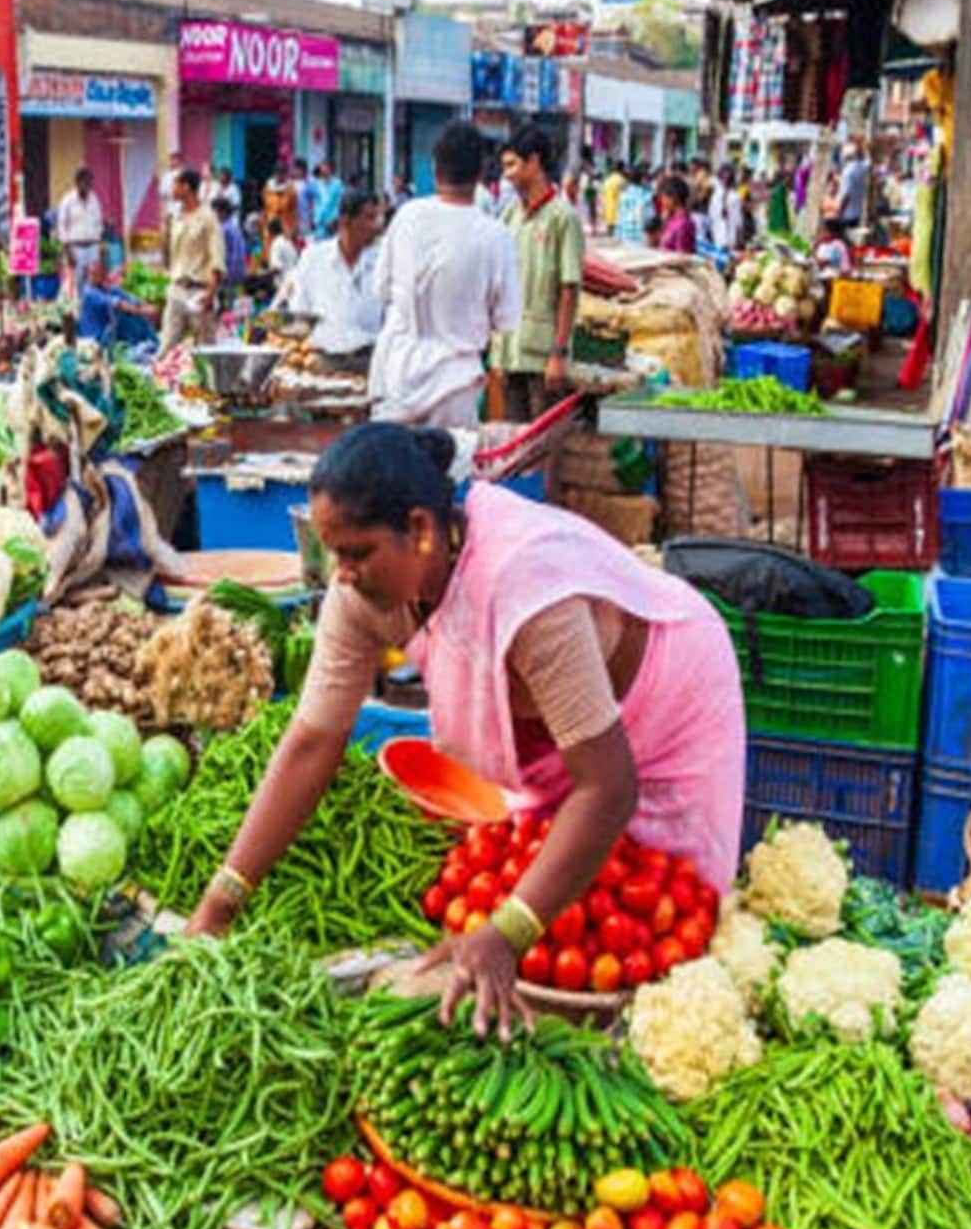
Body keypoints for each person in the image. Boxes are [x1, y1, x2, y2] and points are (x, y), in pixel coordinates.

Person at [181, 424, 746, 1034]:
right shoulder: (361, 595)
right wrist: (221, 902)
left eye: (357, 553)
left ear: (422, 530)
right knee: (564, 904)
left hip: (665, 700)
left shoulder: (524, 582)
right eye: (331, 553)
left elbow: (608, 788)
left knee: (664, 928)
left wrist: (506, 932)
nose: (340, 573)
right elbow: (312, 742)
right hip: (562, 734)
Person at [367, 122, 520, 429]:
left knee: (389, 473)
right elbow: (507, 320)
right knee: (446, 473)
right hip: (455, 386)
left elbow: (379, 290)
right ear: (479, 176)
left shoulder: (407, 216)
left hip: (397, 377)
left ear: (435, 169)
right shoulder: (496, 235)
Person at [490, 127, 584, 425]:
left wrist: (559, 352)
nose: (507, 175)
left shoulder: (563, 218)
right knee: (515, 437)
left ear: (534, 162)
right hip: (509, 349)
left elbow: (569, 288)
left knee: (544, 440)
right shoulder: (508, 216)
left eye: (512, 165)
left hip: (543, 352)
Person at [278, 189, 384, 355]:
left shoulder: (382, 261)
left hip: (369, 360)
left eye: (377, 218)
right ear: (346, 222)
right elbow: (299, 314)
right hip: (321, 360)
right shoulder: (314, 258)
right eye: (369, 218)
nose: (377, 225)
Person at [159, 168, 224, 350]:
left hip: (199, 291)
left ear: (186, 187)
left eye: (175, 184)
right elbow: (168, 257)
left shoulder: (208, 218)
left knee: (205, 349)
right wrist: (164, 230)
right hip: (177, 288)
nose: (171, 189)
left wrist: (211, 293)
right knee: (167, 346)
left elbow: (216, 258)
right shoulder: (175, 217)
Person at [73, 247, 158, 349]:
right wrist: (142, 311)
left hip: (109, 335)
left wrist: (148, 306)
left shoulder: (108, 289)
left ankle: (151, 343)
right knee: (128, 317)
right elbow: (119, 304)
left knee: (138, 318)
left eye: (104, 267)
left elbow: (129, 298)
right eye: (100, 267)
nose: (104, 271)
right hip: (95, 339)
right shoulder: (89, 293)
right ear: (90, 271)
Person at [54, 168, 106, 292]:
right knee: (76, 283)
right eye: (86, 183)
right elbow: (62, 226)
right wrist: (68, 251)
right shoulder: (68, 200)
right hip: (75, 248)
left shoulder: (94, 199)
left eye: (90, 184)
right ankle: (77, 308)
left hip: (92, 247)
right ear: (77, 183)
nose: (89, 187)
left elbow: (98, 223)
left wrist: (100, 246)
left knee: (93, 282)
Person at [213, 198, 247, 306]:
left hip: (227, 275)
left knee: (225, 306)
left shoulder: (222, 229)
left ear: (222, 212)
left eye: (215, 211)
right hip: (239, 273)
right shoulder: (235, 227)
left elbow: (220, 254)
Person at [708, 163, 744, 252]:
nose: (726, 180)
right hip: (718, 234)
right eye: (724, 177)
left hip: (730, 236)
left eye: (728, 177)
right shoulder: (716, 196)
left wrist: (740, 239)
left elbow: (738, 220)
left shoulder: (735, 196)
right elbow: (712, 217)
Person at [656, 176, 697, 254]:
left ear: (673, 198)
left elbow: (682, 258)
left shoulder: (683, 224)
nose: (662, 201)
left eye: (663, 197)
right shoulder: (672, 220)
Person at [262, 164, 300, 248]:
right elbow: (265, 207)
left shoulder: (290, 189)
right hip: (271, 223)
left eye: (281, 173)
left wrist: (295, 227)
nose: (279, 176)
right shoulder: (268, 188)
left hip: (285, 224)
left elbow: (294, 210)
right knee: (269, 247)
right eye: (277, 173)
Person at [615, 166, 653, 246]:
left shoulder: (623, 196)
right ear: (642, 179)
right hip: (642, 235)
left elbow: (619, 216)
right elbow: (650, 217)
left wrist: (618, 235)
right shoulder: (646, 195)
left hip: (626, 235)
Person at [836, 143, 870, 228]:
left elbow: (846, 194)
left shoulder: (847, 172)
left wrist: (839, 211)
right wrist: (866, 149)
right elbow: (868, 163)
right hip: (857, 212)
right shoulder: (861, 167)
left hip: (846, 213)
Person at [311, 161, 344, 240]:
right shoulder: (317, 184)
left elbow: (340, 203)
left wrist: (335, 219)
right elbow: (316, 202)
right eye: (322, 169)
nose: (324, 171)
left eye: (326, 168)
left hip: (332, 223)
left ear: (330, 169)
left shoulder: (337, 184)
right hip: (319, 223)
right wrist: (314, 218)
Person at [265, 218, 300, 286]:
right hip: (295, 279)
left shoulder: (276, 244)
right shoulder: (287, 241)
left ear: (271, 232)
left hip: (285, 283)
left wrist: (264, 275)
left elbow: (277, 268)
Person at [596, 162, 626, 235]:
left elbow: (602, 194)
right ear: (621, 169)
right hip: (618, 211)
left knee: (610, 232)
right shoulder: (621, 180)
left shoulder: (607, 180)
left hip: (608, 210)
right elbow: (625, 196)